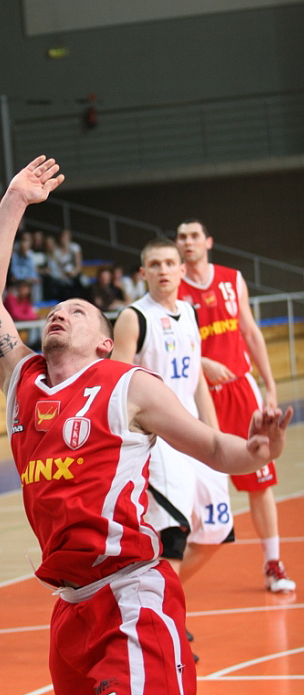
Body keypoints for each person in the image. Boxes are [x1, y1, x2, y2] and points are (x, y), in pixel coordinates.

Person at [0, 156, 292, 695]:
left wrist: (259, 451)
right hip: (70, 608)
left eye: (78, 311)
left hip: (131, 593)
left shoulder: (128, 385)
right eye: (56, 309)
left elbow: (215, 448)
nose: (61, 312)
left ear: (103, 341)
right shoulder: (23, 382)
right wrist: (13, 200)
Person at [176, 220, 296, 593]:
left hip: (240, 389)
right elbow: (169, 345)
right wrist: (201, 362)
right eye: (182, 237)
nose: (188, 242)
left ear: (208, 242)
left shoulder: (232, 279)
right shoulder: (172, 286)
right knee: (187, 488)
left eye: (194, 236)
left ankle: (273, 564)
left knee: (260, 480)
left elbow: (250, 332)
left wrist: (270, 385)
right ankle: (165, 570)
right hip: (198, 395)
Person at [112, 239, 234, 589]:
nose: (162, 270)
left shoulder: (190, 312)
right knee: (173, 535)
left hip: (194, 432)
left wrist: (216, 436)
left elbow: (196, 379)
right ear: (143, 273)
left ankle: (160, 597)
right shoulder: (134, 317)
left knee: (216, 531)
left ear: (182, 270)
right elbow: (114, 387)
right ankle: (164, 613)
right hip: (159, 439)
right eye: (154, 264)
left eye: (169, 263)